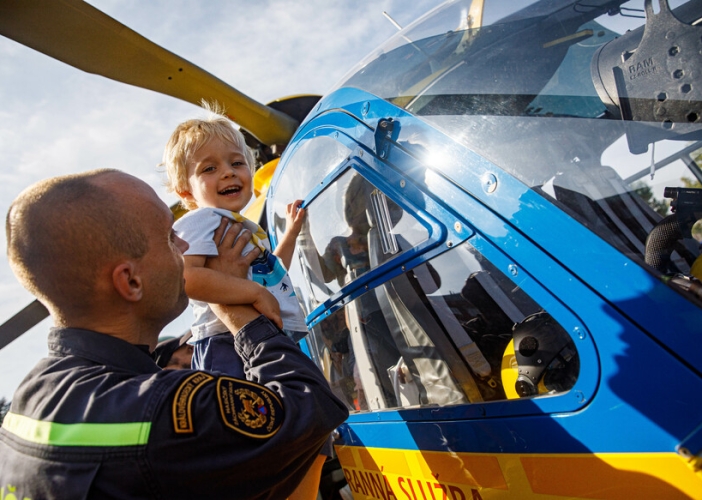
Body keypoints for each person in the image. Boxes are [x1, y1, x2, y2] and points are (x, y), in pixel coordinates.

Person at [0, 169, 348, 499]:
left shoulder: (33, 393)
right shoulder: (157, 408)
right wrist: (231, 298)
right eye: (169, 238)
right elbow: (310, 406)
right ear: (131, 282)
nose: (184, 248)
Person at [163, 108, 329, 499]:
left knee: (302, 432)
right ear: (186, 193)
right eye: (209, 168)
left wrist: (289, 234)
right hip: (227, 344)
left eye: (237, 163)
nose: (228, 173)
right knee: (257, 434)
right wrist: (253, 294)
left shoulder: (241, 228)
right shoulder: (203, 222)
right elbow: (189, 279)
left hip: (264, 340)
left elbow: (274, 274)